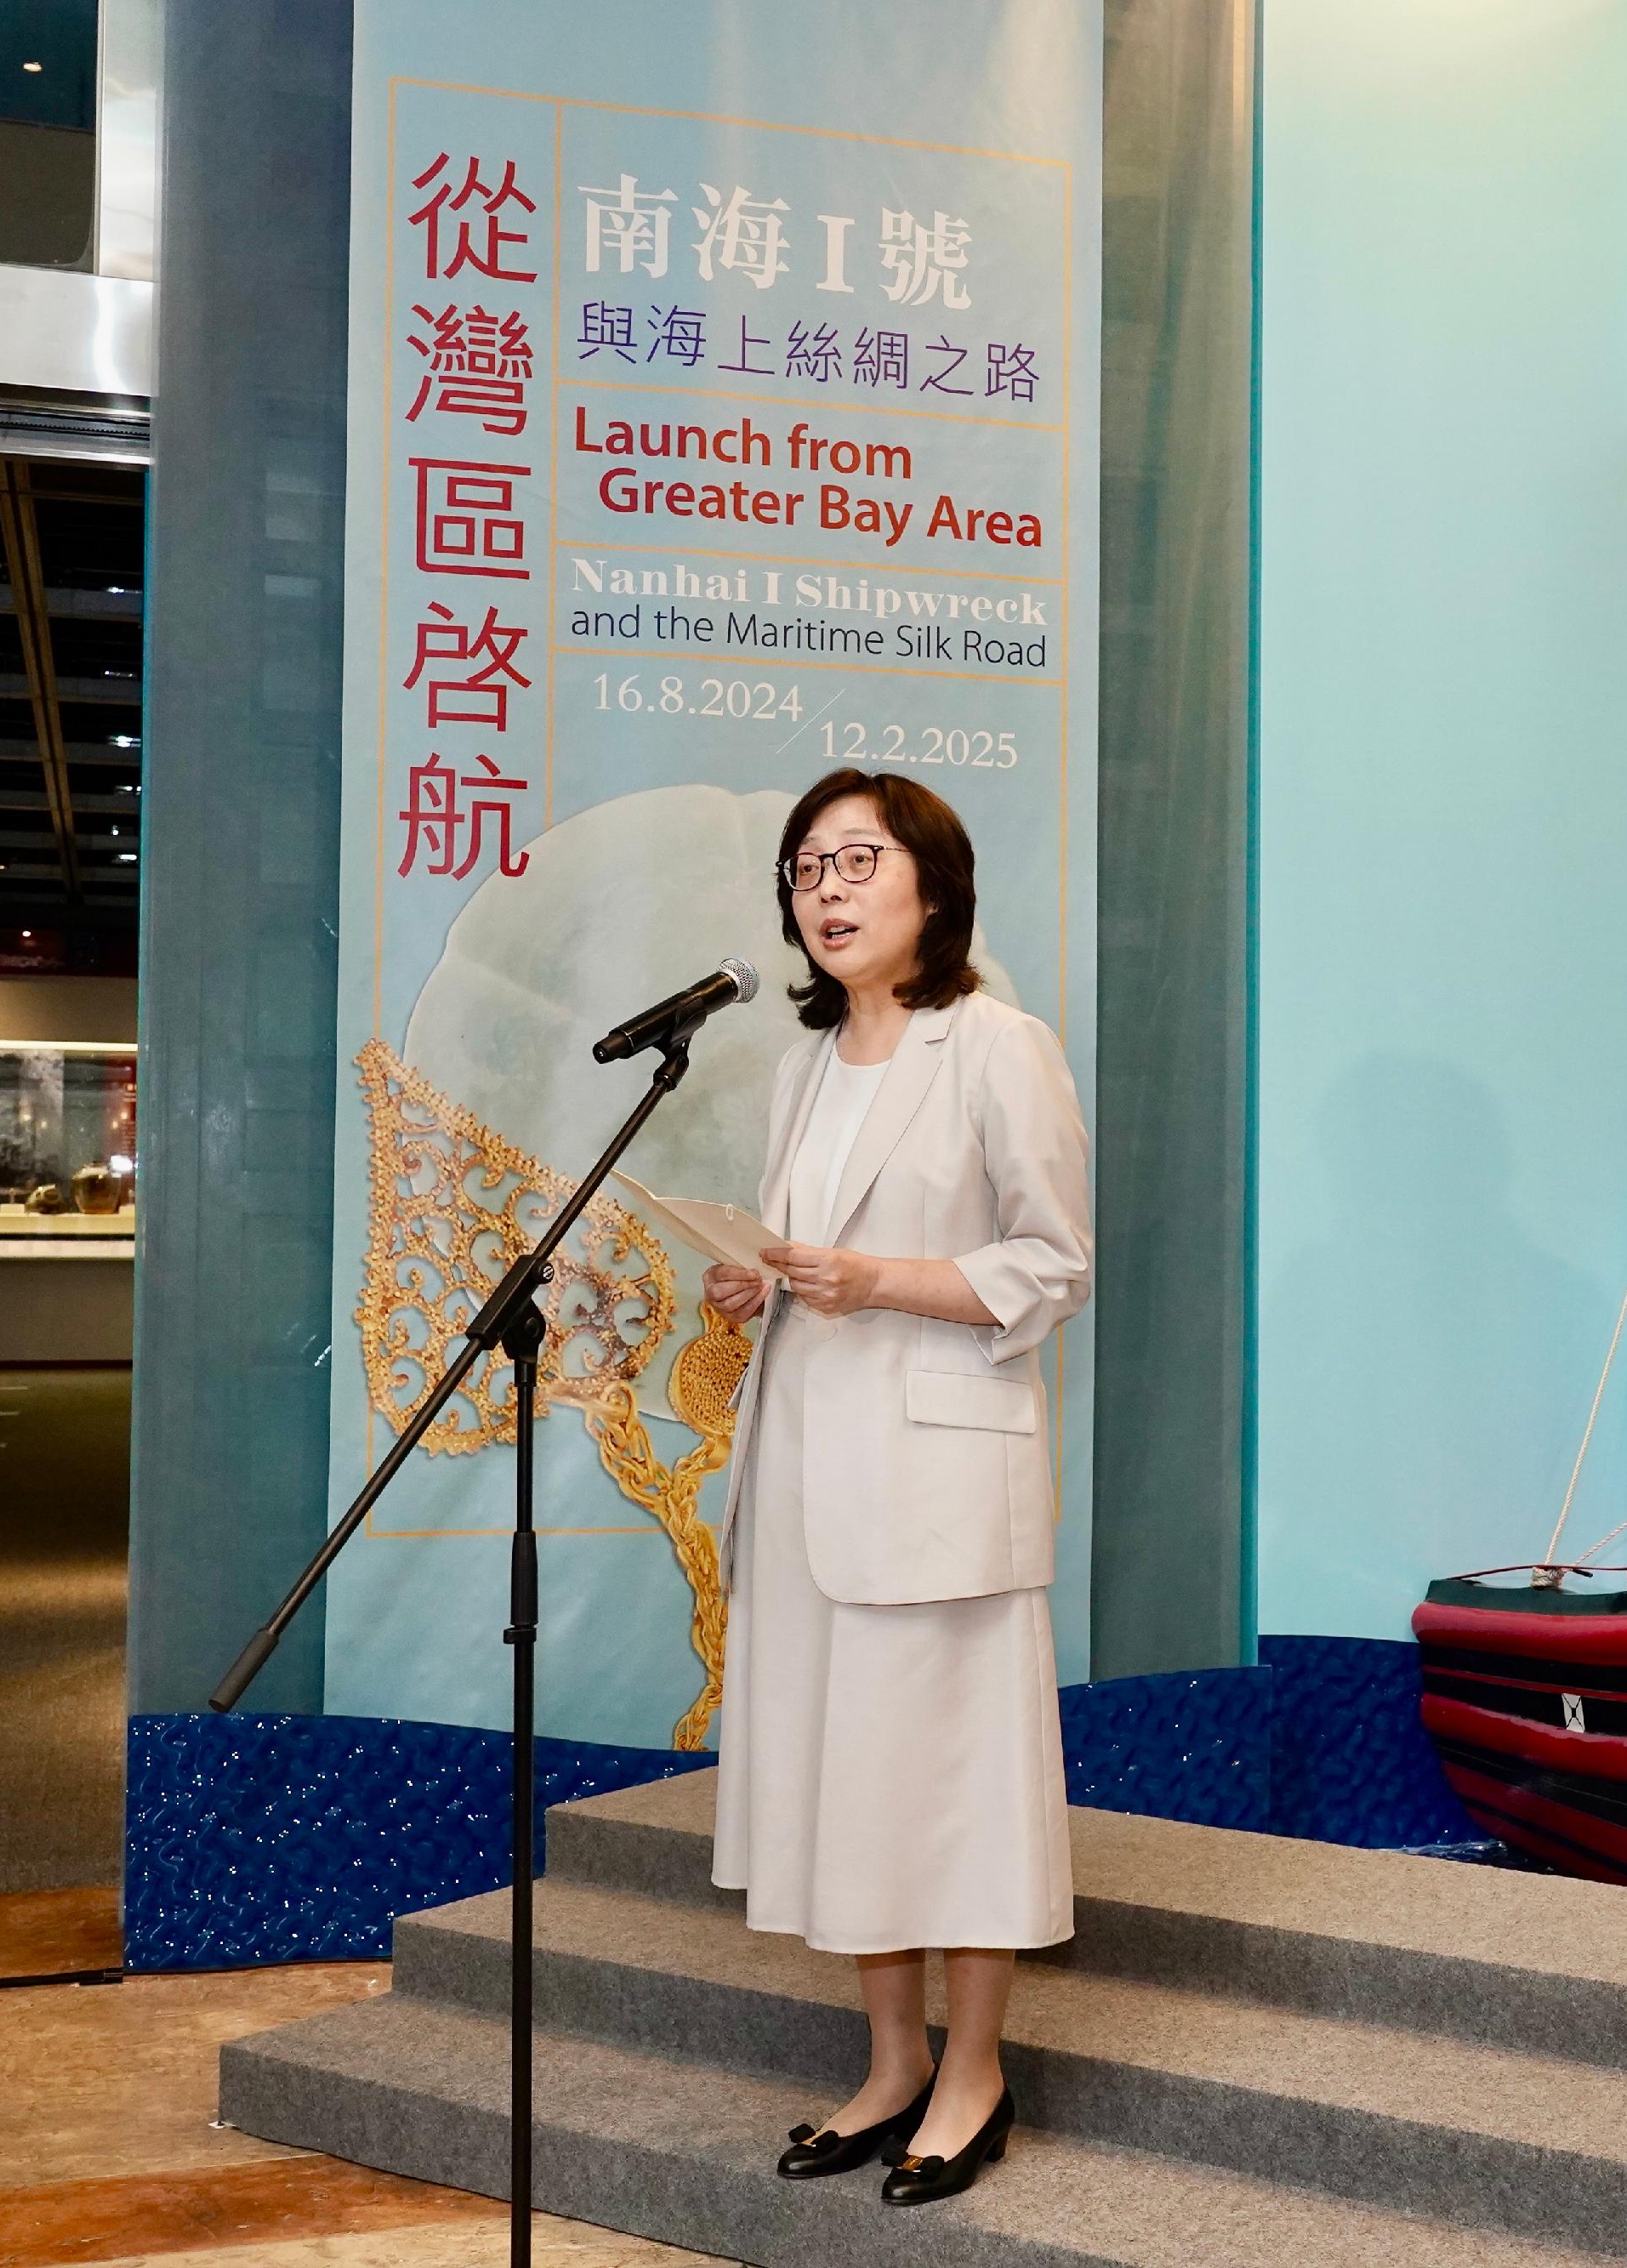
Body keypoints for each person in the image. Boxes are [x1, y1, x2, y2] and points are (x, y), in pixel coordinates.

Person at [701, 767, 1091, 2208]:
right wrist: (769, 1280)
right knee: (852, 1789)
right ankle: (890, 2065)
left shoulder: (999, 1046)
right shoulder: (804, 1066)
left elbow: (1053, 1268)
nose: (827, 892)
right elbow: (821, 1257)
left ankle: (976, 2072)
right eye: (806, 868)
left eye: (857, 863)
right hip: (807, 1468)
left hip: (935, 1477)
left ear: (935, 885)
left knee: (953, 1791)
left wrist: (880, 1282)